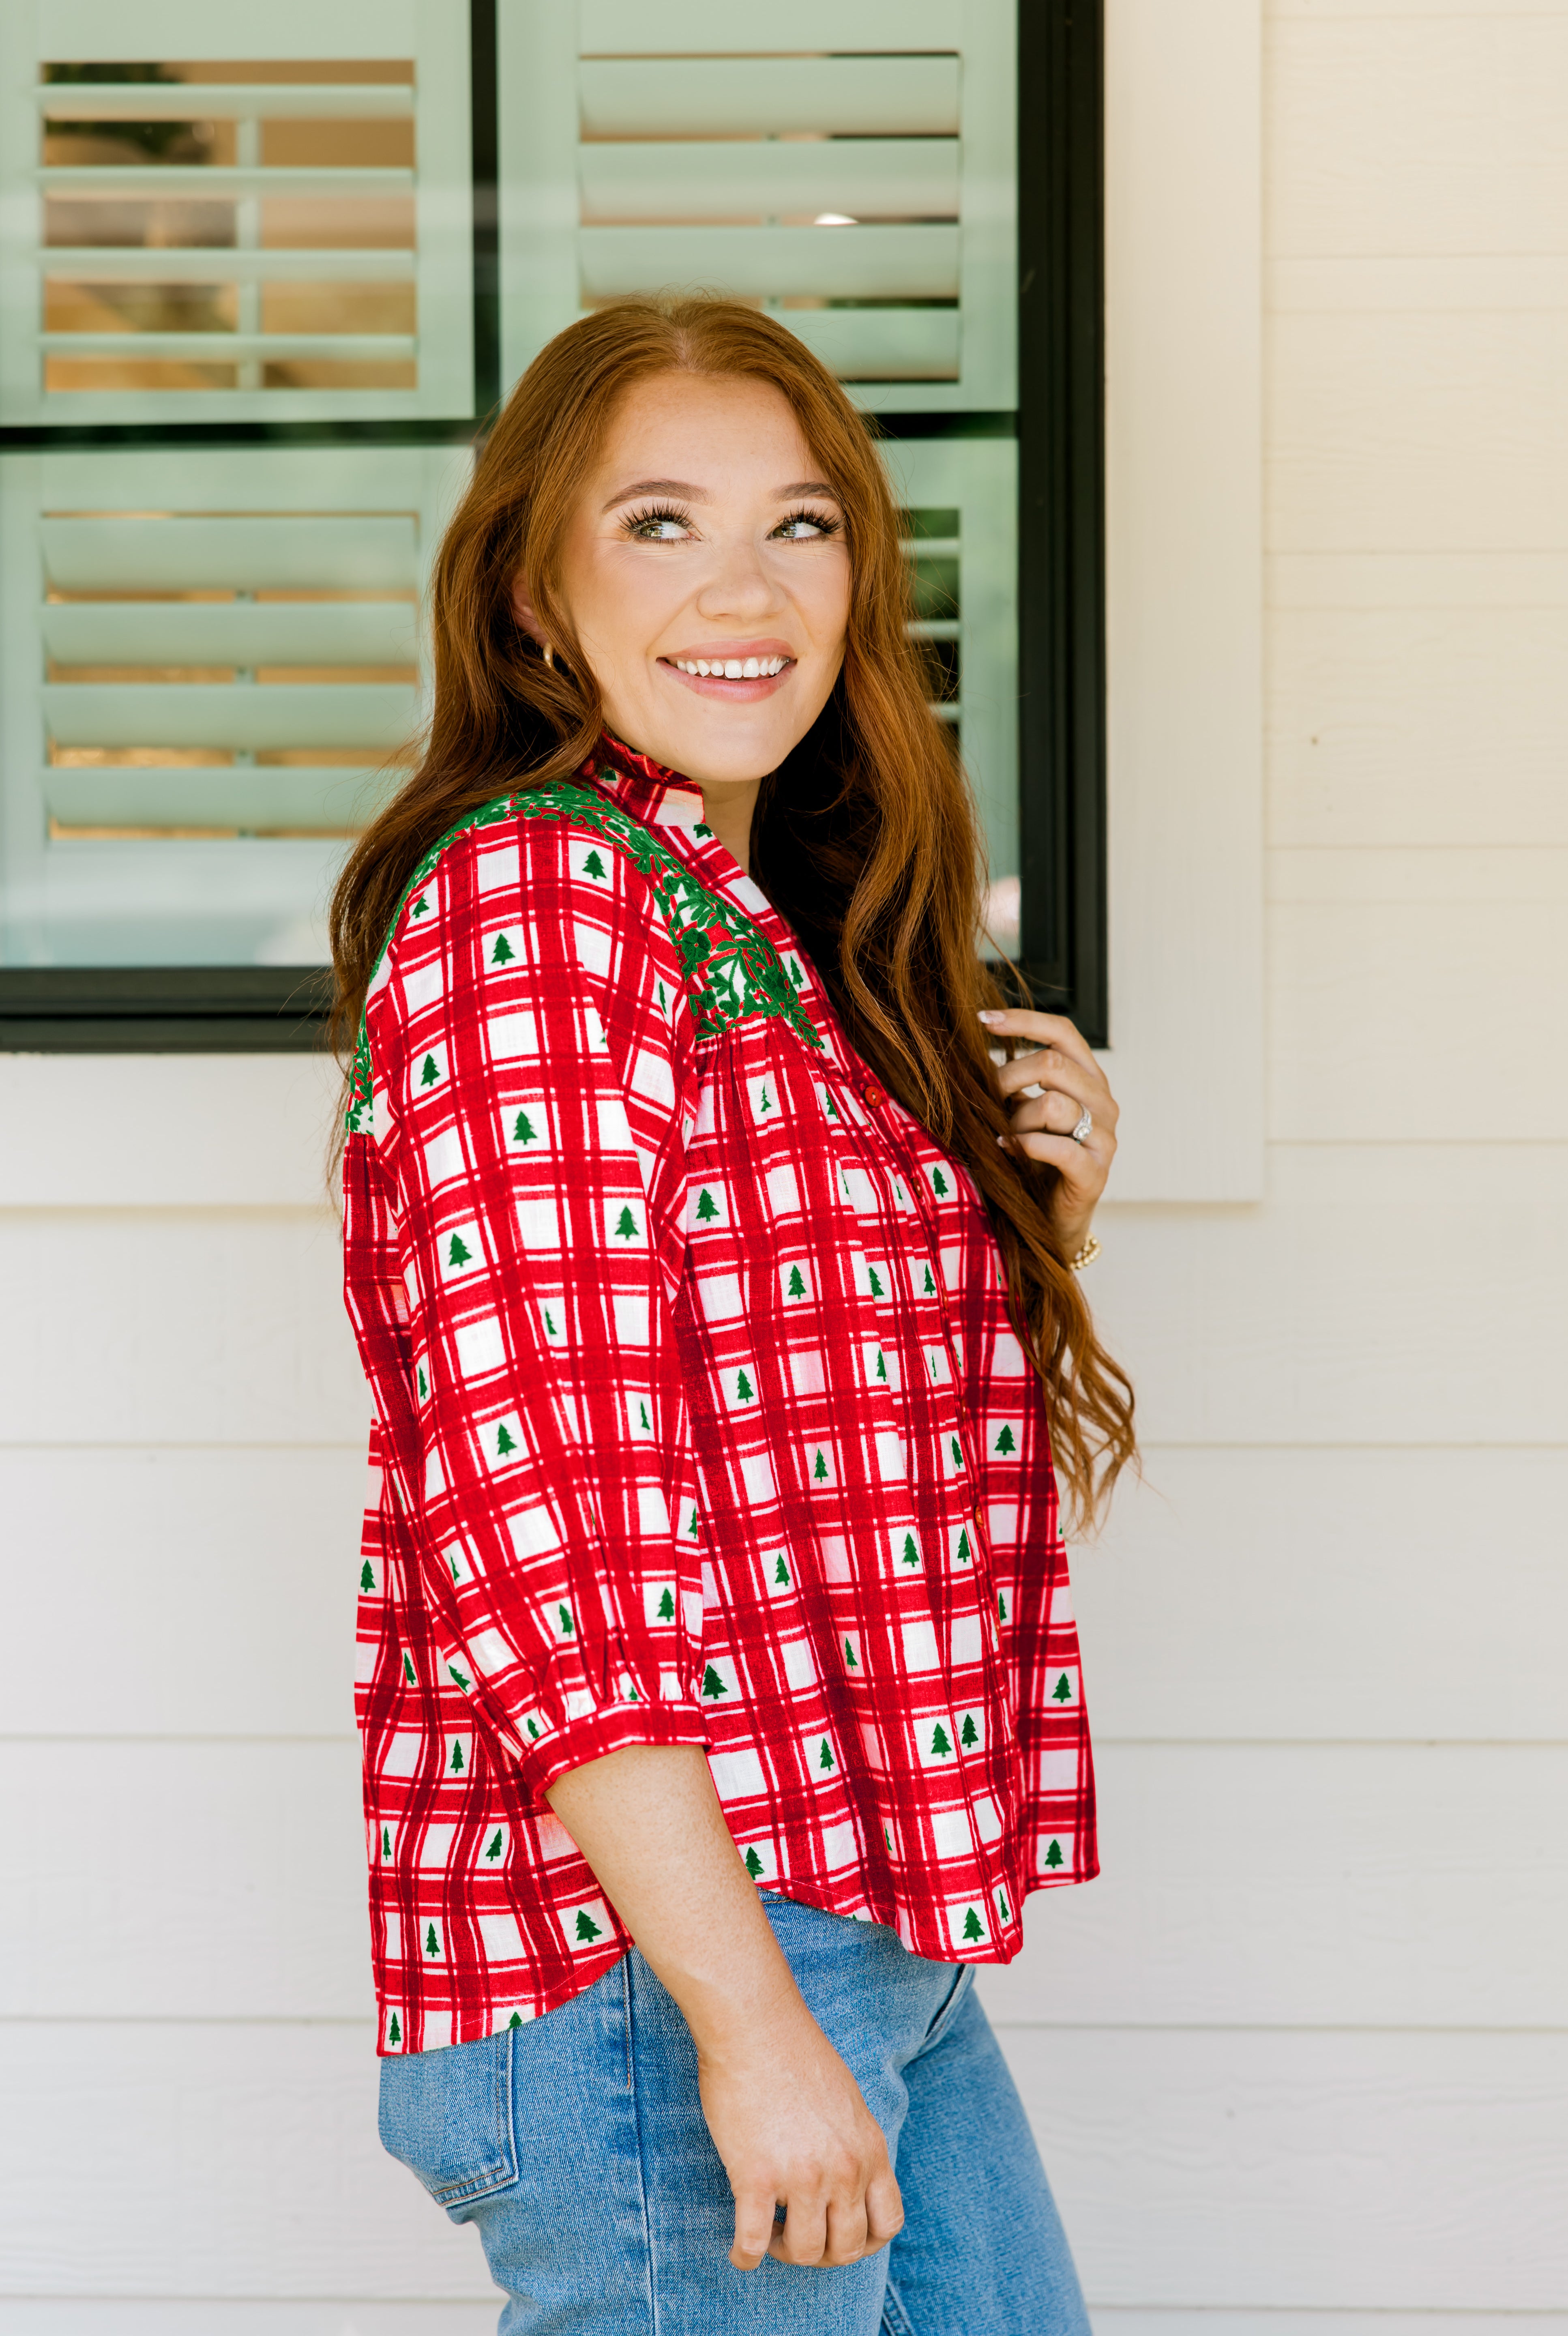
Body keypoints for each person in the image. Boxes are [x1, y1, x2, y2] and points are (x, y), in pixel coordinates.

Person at [328, 295, 1135, 2336]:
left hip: (852, 1919)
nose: (746, 589)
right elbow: (544, 1532)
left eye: (802, 526)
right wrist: (747, 2021)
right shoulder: (536, 903)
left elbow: (822, 1475)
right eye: (661, 525)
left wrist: (1024, 1226)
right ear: (534, 592)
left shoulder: (748, 929)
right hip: (668, 1968)